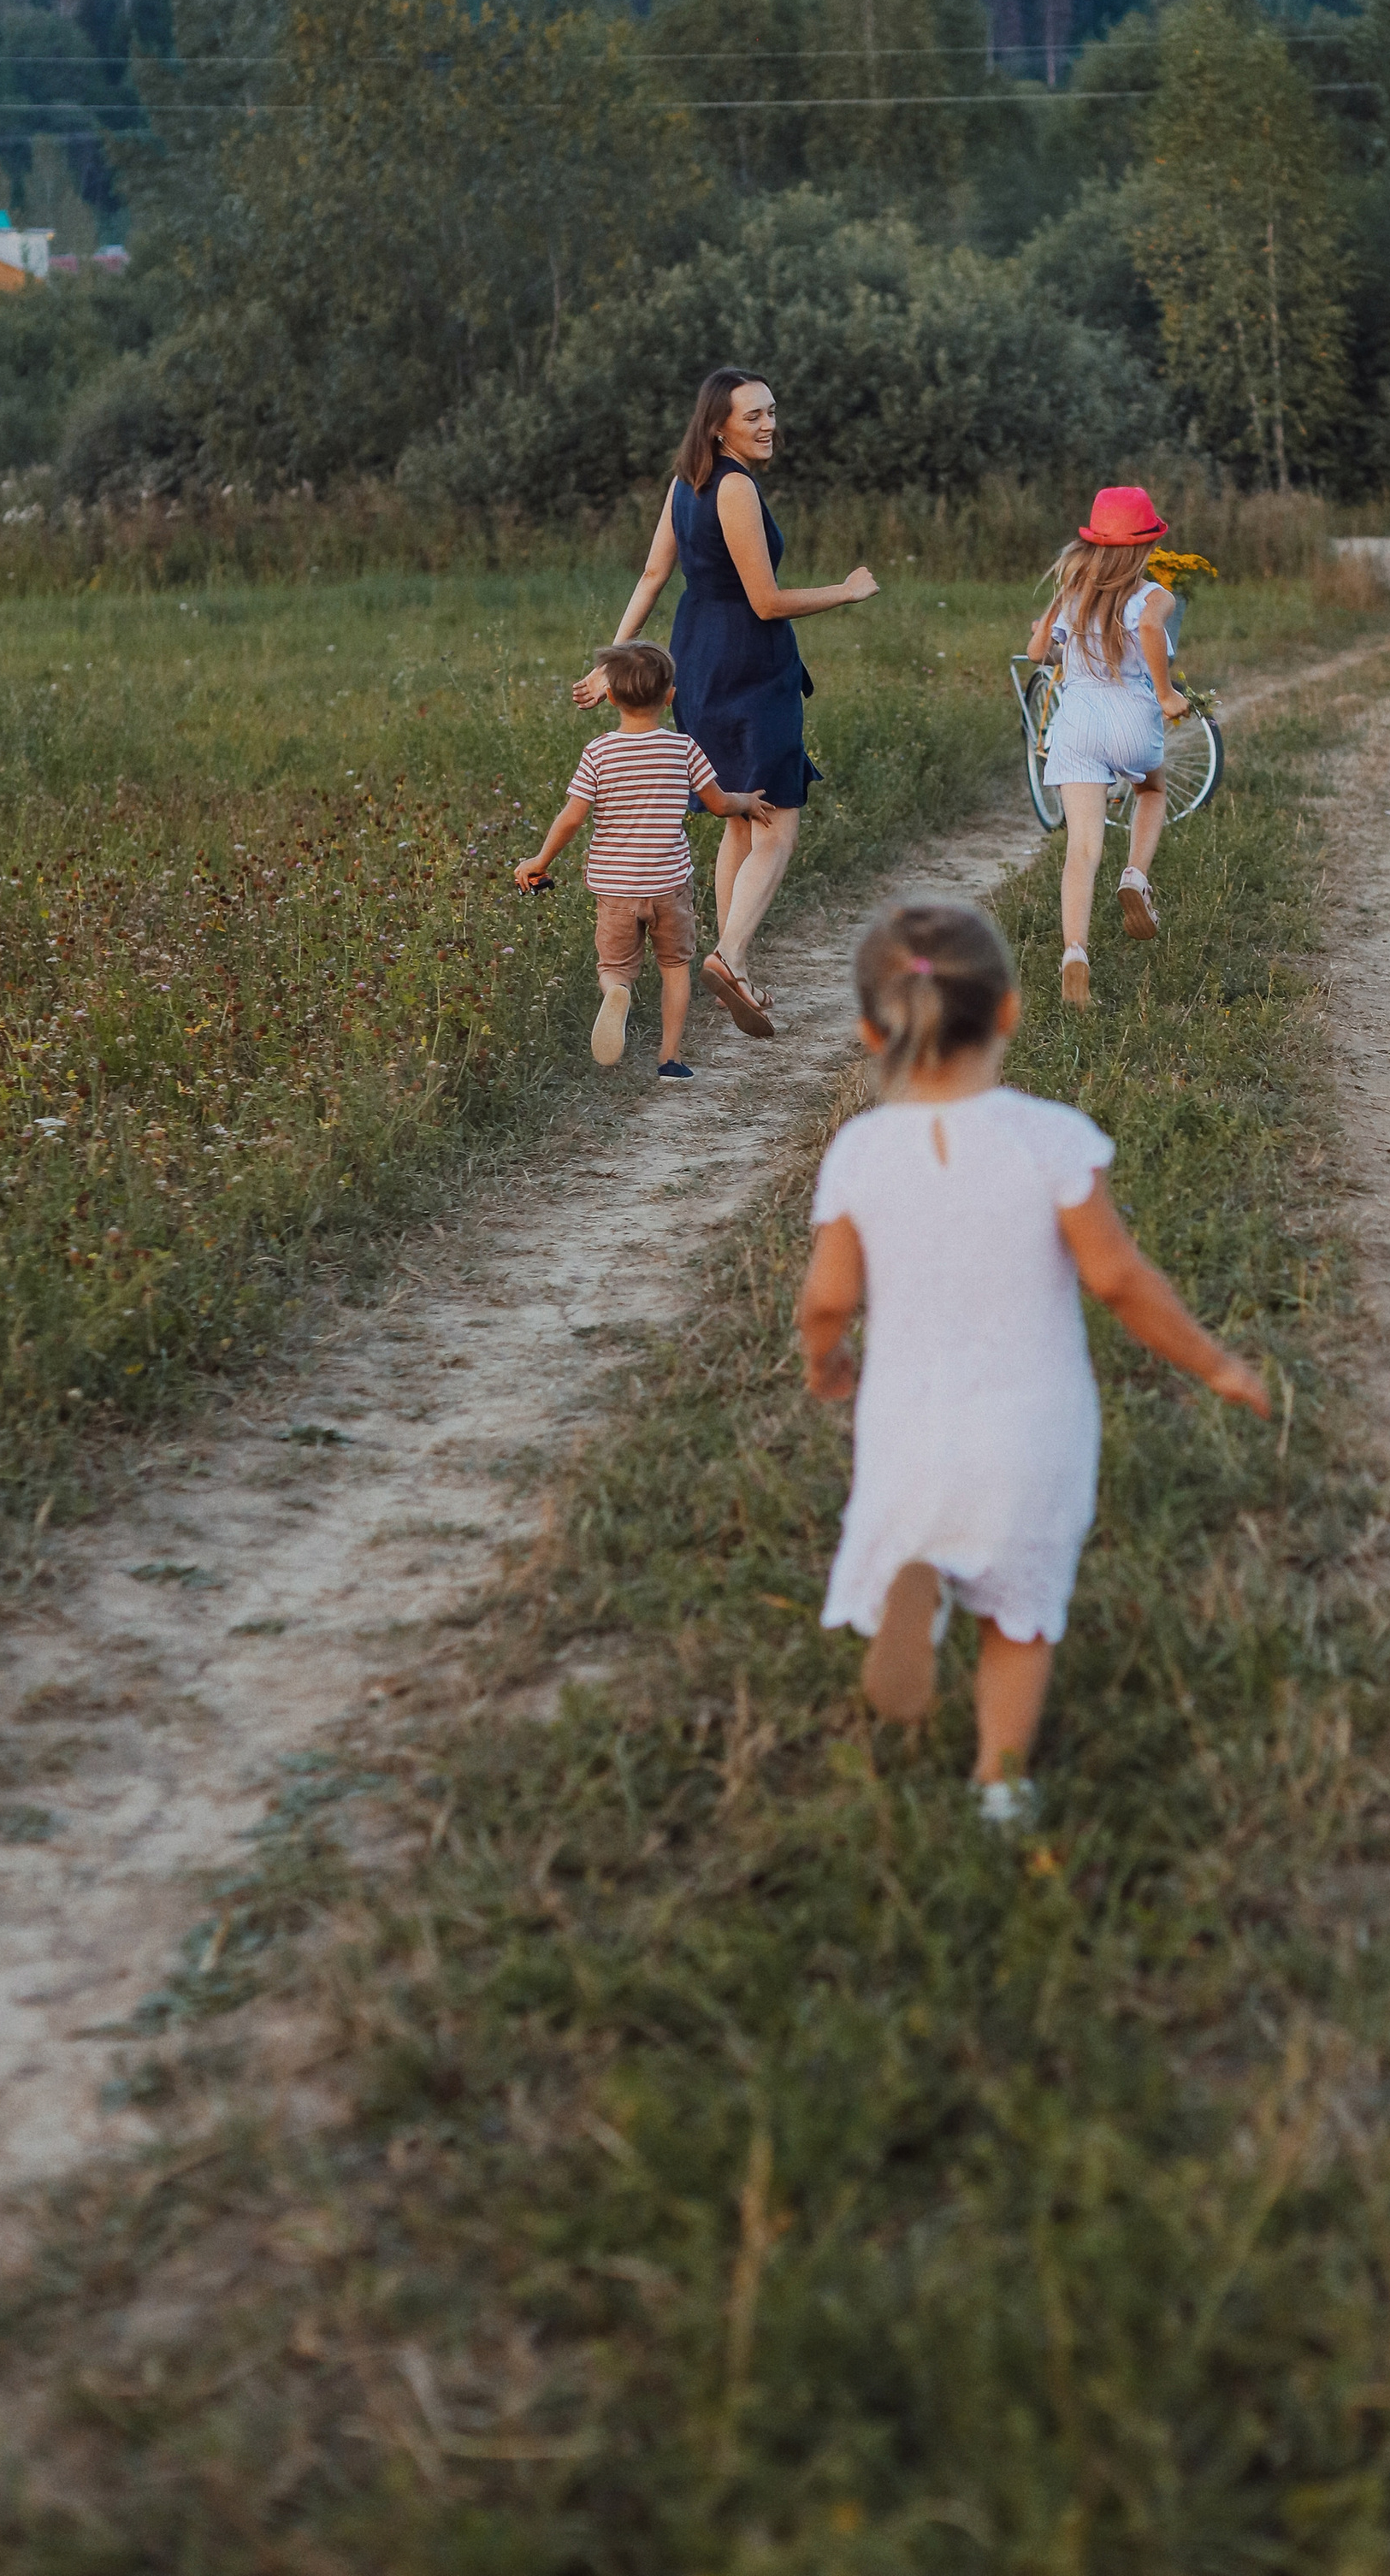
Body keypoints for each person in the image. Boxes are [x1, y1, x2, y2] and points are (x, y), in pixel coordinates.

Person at [797, 899, 1269, 1825]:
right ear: (1009, 1011)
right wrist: (1212, 1364)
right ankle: (999, 1780)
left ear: (866, 1032)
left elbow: (825, 1298)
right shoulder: (1048, 1137)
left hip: (907, 1419)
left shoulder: (858, 1153)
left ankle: (921, 1572)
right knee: (1021, 1609)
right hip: (1029, 1421)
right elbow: (1118, 1278)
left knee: (929, 1513)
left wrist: (825, 1359)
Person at [573, 369, 878, 1040]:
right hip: (749, 663)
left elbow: (655, 574)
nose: (769, 425)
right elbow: (766, 601)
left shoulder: (686, 482)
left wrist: (611, 661)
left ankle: (733, 969)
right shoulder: (735, 487)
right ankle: (731, 957)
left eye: (772, 412)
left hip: (699, 659)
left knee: (740, 823)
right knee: (775, 823)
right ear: (719, 425)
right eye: (753, 417)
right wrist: (846, 590)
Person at [513, 639, 766, 1078]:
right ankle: (670, 1059)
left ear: (609, 697)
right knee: (674, 968)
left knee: (614, 967)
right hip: (669, 885)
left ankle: (618, 993)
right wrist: (747, 801)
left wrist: (540, 860)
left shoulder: (598, 753)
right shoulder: (684, 749)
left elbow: (572, 818)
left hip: (615, 889)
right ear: (670, 696)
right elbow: (720, 803)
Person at [1025, 484, 1189, 1007]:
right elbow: (1146, 625)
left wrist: (1052, 642)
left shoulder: (1072, 591)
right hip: (1130, 719)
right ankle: (1136, 876)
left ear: (1095, 543)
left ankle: (1075, 952)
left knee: (1081, 849)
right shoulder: (1155, 595)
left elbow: (1036, 654)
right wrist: (1166, 694)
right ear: (1146, 547)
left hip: (1076, 726)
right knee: (1152, 791)